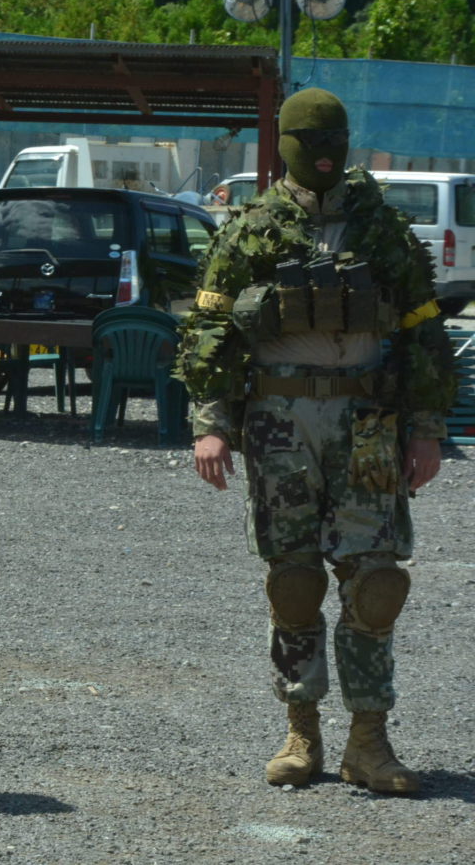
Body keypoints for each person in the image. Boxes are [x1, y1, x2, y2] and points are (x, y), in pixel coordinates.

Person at [177, 87, 455, 794]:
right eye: (313, 139)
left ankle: (369, 743)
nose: (326, 153)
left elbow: (424, 333)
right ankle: (301, 731)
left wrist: (426, 430)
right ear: (287, 144)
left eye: (335, 138)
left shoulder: (382, 231)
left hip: (367, 421)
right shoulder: (251, 229)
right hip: (279, 421)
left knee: (377, 583)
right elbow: (209, 331)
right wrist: (211, 424)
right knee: (295, 582)